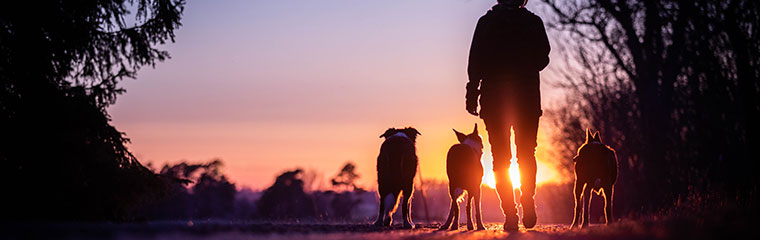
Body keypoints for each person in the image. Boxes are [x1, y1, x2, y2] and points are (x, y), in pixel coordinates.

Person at [465, 0, 550, 231]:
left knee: (501, 159)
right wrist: (524, 62)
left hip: (494, 100)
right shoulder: (533, 22)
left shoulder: (486, 23)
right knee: (527, 153)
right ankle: (528, 199)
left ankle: (510, 215)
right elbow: (543, 58)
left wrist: (472, 94)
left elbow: (475, 62)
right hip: (527, 99)